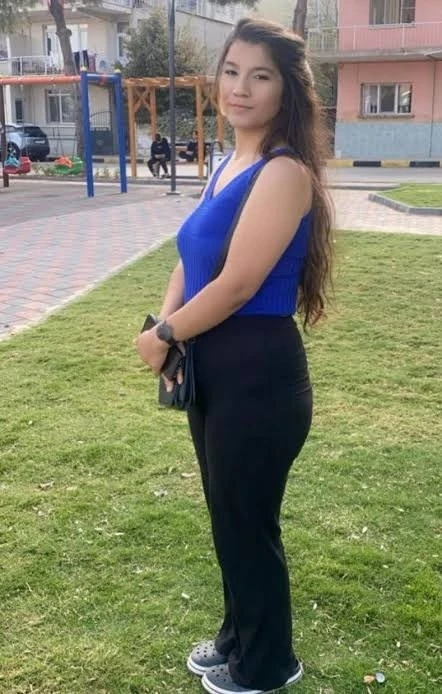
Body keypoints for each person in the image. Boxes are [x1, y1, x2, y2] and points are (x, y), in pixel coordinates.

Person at [135, 17, 334, 694]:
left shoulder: (284, 172)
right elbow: (190, 259)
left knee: (248, 523)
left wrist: (164, 336)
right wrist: (166, 323)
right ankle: (236, 637)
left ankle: (268, 663)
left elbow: (238, 284)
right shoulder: (228, 163)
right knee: (228, 516)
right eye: (231, 71)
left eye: (260, 75)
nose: (240, 88)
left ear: (286, 90)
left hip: (257, 373)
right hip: (213, 365)